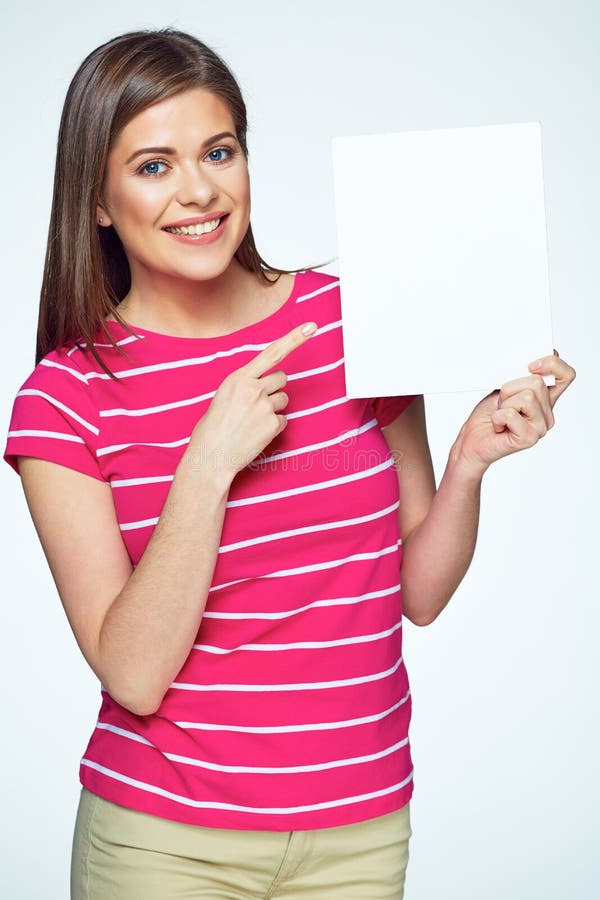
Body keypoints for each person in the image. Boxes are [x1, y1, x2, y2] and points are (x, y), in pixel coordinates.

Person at [2, 27, 575, 900]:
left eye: (218, 152)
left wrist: (467, 466)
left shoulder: (356, 324)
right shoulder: (67, 396)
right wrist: (206, 468)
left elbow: (417, 594)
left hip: (361, 829)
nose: (198, 190)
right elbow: (133, 673)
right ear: (98, 201)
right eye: (153, 165)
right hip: (164, 844)